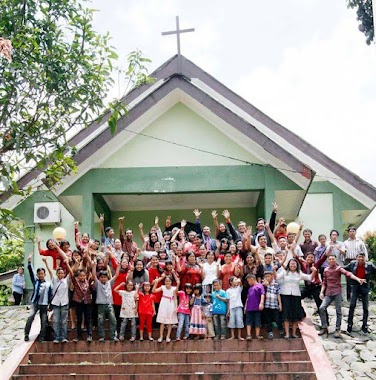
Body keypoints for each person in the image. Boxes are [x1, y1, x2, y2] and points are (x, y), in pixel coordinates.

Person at [318, 254, 365, 338]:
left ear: (335, 260)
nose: (332, 260)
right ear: (328, 261)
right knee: (322, 308)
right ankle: (324, 327)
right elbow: (324, 282)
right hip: (328, 293)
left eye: (333, 259)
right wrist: (321, 292)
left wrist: (358, 279)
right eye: (330, 259)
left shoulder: (339, 269)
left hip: (337, 292)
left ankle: (337, 329)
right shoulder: (326, 270)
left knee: (338, 311)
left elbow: (348, 274)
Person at [276, 258, 315, 339]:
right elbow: (276, 277)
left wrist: (314, 271)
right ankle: (287, 333)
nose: (293, 265)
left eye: (294, 264)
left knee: (295, 315)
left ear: (297, 265)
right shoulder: (284, 272)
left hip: (296, 295)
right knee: (286, 314)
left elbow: (310, 278)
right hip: (285, 295)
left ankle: (293, 333)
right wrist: (273, 270)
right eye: (291, 263)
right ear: (288, 265)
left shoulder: (299, 273)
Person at [344, 253, 376, 335]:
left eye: (362, 257)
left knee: (365, 307)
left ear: (365, 258)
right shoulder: (352, 264)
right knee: (352, 305)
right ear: (356, 258)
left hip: (365, 286)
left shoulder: (369, 265)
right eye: (359, 257)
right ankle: (349, 325)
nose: (361, 259)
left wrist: (372, 281)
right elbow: (344, 269)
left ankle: (364, 326)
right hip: (355, 286)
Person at [24, 253, 52, 342]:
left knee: (44, 321)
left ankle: (42, 337)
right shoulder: (35, 281)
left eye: (42, 274)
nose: (40, 275)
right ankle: (26, 334)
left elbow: (50, 295)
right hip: (35, 303)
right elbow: (31, 272)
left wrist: (50, 305)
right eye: (39, 274)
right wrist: (29, 262)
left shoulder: (48, 284)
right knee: (31, 317)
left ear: (44, 274)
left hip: (44, 304)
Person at [43, 257, 70, 343]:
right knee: (56, 321)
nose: (60, 275)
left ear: (64, 274)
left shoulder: (66, 281)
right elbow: (50, 272)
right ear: (57, 274)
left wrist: (70, 264)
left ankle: (63, 337)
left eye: (62, 273)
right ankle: (56, 337)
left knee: (64, 322)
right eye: (59, 273)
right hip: (56, 304)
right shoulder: (54, 280)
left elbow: (72, 272)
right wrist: (46, 262)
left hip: (64, 303)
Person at [91, 260, 119, 342]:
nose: (103, 278)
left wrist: (119, 266)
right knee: (100, 321)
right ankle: (102, 336)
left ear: (107, 278)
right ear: (99, 278)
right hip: (100, 305)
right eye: (101, 277)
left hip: (109, 304)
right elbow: (93, 275)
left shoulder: (109, 283)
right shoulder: (98, 284)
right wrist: (94, 266)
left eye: (105, 277)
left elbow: (116, 275)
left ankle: (113, 335)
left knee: (113, 320)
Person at [65, 260, 92, 342]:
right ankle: (78, 336)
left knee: (87, 319)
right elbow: (71, 274)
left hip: (87, 302)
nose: (82, 277)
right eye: (81, 276)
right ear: (79, 276)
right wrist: (67, 264)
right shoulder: (76, 281)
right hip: (79, 302)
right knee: (79, 319)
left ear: (86, 276)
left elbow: (92, 274)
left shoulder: (88, 282)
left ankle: (89, 335)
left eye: (84, 276)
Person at [343, 226, 368, 302]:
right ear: (348, 233)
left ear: (355, 232)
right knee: (349, 279)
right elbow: (343, 253)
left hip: (358, 261)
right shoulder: (345, 242)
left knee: (359, 277)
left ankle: (360, 296)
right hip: (348, 261)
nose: (351, 232)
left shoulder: (360, 242)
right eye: (350, 231)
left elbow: (364, 251)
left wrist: (365, 261)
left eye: (353, 231)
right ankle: (349, 297)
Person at [153, 274, 179, 342]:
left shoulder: (174, 288)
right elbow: (154, 291)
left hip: (171, 304)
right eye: (166, 281)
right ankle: (161, 336)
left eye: (169, 281)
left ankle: (168, 336)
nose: (167, 282)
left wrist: (176, 307)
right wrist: (156, 282)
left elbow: (175, 298)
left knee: (170, 322)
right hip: (163, 303)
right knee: (162, 321)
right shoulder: (162, 287)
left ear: (171, 282)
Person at [262, 271, 282, 340]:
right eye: (266, 276)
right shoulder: (263, 284)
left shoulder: (276, 284)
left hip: (274, 305)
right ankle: (270, 332)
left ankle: (281, 330)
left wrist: (280, 304)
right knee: (268, 319)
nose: (267, 278)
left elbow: (278, 294)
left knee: (277, 318)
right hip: (266, 305)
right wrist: (265, 286)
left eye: (269, 276)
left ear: (272, 276)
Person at [244, 274, 265, 340]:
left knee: (257, 321)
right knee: (248, 321)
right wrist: (245, 306)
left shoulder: (260, 286)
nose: (248, 283)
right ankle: (248, 334)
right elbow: (248, 298)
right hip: (249, 307)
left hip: (256, 307)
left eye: (248, 281)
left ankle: (257, 335)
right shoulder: (250, 288)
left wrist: (261, 303)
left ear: (251, 279)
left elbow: (262, 294)